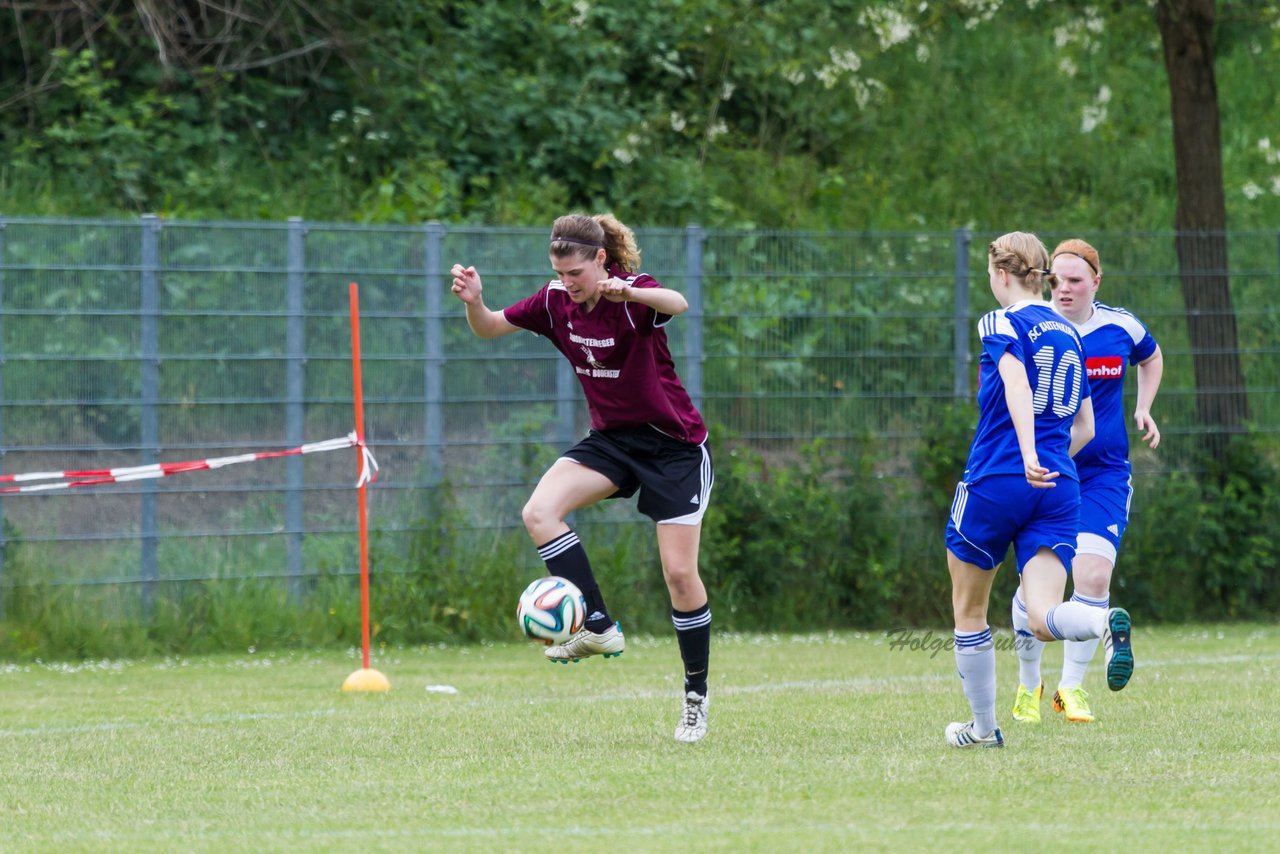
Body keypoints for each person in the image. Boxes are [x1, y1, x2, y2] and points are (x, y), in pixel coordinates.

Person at [449, 213, 715, 744]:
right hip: (613, 442)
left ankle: (695, 699)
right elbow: (492, 326)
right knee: (538, 512)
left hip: (674, 448)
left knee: (680, 576)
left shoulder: (632, 293)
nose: (567, 283)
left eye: (576, 273)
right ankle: (598, 625)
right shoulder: (553, 302)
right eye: (559, 272)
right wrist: (475, 303)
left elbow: (678, 304)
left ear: (600, 259)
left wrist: (630, 294)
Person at [943, 231, 1133, 749]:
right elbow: (1087, 427)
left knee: (970, 611)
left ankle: (983, 730)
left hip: (999, 477)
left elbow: (1016, 383)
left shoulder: (1001, 320)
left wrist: (1027, 455)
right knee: (1044, 615)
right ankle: (1100, 623)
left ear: (1002, 275)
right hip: (1059, 486)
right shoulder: (1072, 333)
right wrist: (1049, 463)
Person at [1010, 238, 1162, 725]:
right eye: (1057, 279)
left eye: (1077, 280)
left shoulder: (1119, 326)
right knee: (1037, 588)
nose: (1065, 288)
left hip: (1103, 475)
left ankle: (1069, 690)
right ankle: (1027, 681)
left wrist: (1143, 406)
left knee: (1094, 576)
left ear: (1096, 281)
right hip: (1052, 468)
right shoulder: (1033, 327)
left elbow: (1151, 356)